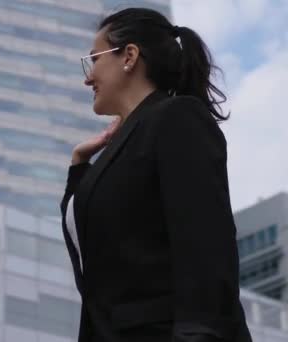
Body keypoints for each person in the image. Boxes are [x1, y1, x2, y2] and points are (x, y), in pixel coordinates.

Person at [60, 8, 252, 342]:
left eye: (94, 60)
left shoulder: (177, 119)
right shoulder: (116, 151)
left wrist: (197, 335)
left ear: (129, 56)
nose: (87, 78)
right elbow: (90, 259)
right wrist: (79, 168)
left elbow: (206, 246)